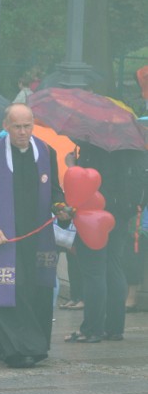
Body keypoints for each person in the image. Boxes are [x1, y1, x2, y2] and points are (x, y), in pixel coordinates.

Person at [0, 103, 63, 368]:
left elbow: (55, 192)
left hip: (37, 241)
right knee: (11, 293)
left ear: (33, 124)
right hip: (3, 243)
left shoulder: (46, 153)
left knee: (36, 292)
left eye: (27, 126)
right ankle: (25, 349)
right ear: (6, 126)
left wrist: (61, 208)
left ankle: (1, 342)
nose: (22, 132)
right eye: (17, 126)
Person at [66, 143, 146, 343]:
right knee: (114, 266)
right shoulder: (132, 146)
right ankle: (115, 328)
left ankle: (92, 329)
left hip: (95, 214)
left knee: (94, 270)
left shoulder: (93, 145)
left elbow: (84, 184)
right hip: (121, 214)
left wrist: (72, 165)